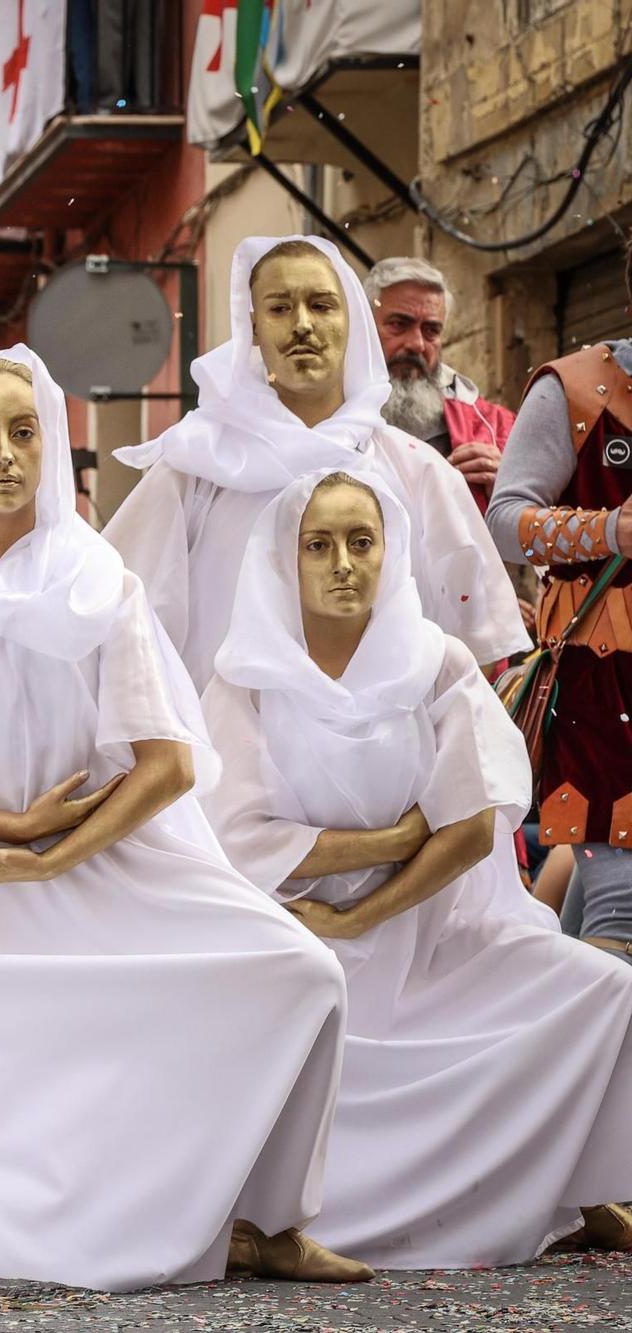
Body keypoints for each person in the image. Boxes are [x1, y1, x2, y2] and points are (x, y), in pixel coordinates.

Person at [0, 347, 362, 1291]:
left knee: (304, 970)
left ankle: (266, 1223)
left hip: (100, 863)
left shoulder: (99, 580)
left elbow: (167, 762)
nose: (5, 455)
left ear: (52, 444)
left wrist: (57, 855)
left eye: (25, 432)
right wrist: (11, 832)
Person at [202, 468, 632, 1267]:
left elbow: (469, 828)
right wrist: (395, 838)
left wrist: (365, 908)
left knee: (606, 988)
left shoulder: (437, 663)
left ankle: (579, 1188)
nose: (342, 564)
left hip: (431, 930)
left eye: (361, 541)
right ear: (287, 559)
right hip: (296, 932)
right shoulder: (245, 678)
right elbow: (240, 835)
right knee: (276, 998)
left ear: (390, 550)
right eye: (318, 545)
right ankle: (271, 1221)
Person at [104, 235, 527, 688]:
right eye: (280, 308)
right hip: (225, 730)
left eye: (322, 305)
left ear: (353, 322)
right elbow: (124, 625)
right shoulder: (196, 469)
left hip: (387, 734)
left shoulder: (419, 472)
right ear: (253, 327)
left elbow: (476, 652)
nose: (302, 325)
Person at [487, 249, 632, 955]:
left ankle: (547, 991)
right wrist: (609, 530)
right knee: (623, 898)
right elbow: (505, 519)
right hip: (606, 688)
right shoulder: (575, 388)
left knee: (605, 899)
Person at [364, 257, 515, 499]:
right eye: (399, 324)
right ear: (364, 326)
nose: (417, 344)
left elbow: (548, 513)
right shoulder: (322, 417)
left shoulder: (494, 428)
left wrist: (510, 489)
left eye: (431, 330)